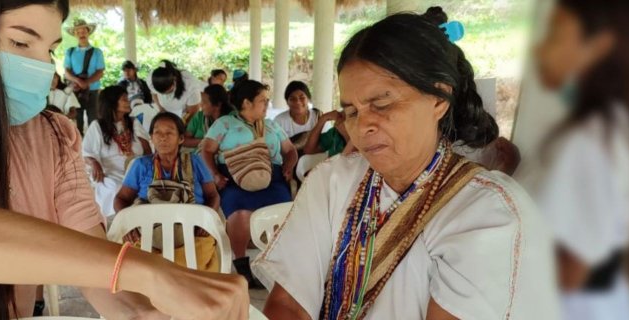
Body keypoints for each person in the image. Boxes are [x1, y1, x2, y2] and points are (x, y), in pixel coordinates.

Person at [0, 1, 249, 319]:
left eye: (51, 49)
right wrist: (146, 269)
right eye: (21, 43)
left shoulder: (53, 136)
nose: (42, 66)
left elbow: (95, 269)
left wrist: (146, 313)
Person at [254, 13, 559, 320]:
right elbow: (288, 305)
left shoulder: (488, 213)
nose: (363, 126)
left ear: (439, 98)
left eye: (382, 104)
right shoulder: (331, 182)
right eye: (351, 111)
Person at [519, 0, 629, 319]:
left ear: (599, 46)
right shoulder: (617, 126)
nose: (540, 49)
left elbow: (571, 269)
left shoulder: (588, 142)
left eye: (555, 34)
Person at [200, 80, 298, 288]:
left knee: (284, 212)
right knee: (241, 214)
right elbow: (206, 151)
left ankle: (276, 262)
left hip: (272, 177)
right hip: (235, 179)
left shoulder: (270, 125)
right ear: (246, 103)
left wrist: (289, 167)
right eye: (263, 101)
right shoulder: (225, 124)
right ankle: (241, 262)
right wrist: (216, 175)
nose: (267, 105)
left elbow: (290, 150)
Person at [114, 112, 222, 271]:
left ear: (181, 138)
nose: (162, 137)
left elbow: (213, 196)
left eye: (169, 132)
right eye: (157, 132)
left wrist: (206, 223)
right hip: (148, 235)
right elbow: (121, 199)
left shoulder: (195, 162)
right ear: (151, 137)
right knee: (134, 261)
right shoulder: (141, 165)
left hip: (192, 234)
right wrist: (128, 225)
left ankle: (164, 274)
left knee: (194, 260)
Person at [84, 85, 152, 217]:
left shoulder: (133, 123)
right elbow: (86, 152)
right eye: (124, 99)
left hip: (136, 171)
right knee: (116, 187)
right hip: (112, 173)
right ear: (112, 102)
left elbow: (147, 150)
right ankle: (118, 221)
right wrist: (94, 163)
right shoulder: (97, 126)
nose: (128, 102)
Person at [64, 18, 106, 133]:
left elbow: (100, 72)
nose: (81, 34)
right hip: (75, 91)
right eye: (78, 32)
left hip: (93, 91)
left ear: (88, 32)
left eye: (83, 31)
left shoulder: (97, 52)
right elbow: (66, 72)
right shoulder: (70, 52)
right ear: (75, 35)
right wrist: (78, 81)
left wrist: (86, 82)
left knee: (94, 122)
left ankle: (94, 147)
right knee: (77, 123)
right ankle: (78, 148)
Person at [274, 81, 322, 152]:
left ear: (308, 99)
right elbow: (275, 148)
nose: (297, 102)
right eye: (292, 99)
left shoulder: (318, 118)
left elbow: (326, 145)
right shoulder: (279, 121)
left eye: (302, 98)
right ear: (287, 102)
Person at [184, 84, 233, 148]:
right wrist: (205, 141)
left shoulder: (232, 119)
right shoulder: (199, 116)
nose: (201, 105)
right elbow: (184, 140)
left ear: (218, 105)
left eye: (204, 102)